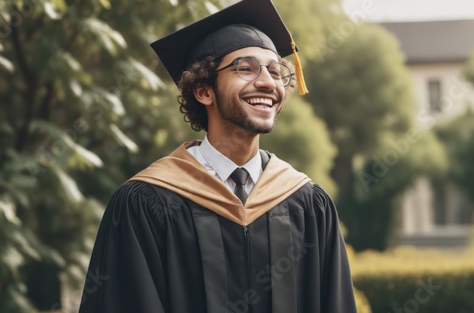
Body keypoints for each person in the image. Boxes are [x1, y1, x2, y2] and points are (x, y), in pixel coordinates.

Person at [78, 0, 357, 312]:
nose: (267, 82)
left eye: (277, 71)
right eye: (246, 68)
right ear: (203, 91)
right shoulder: (146, 202)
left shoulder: (308, 203)